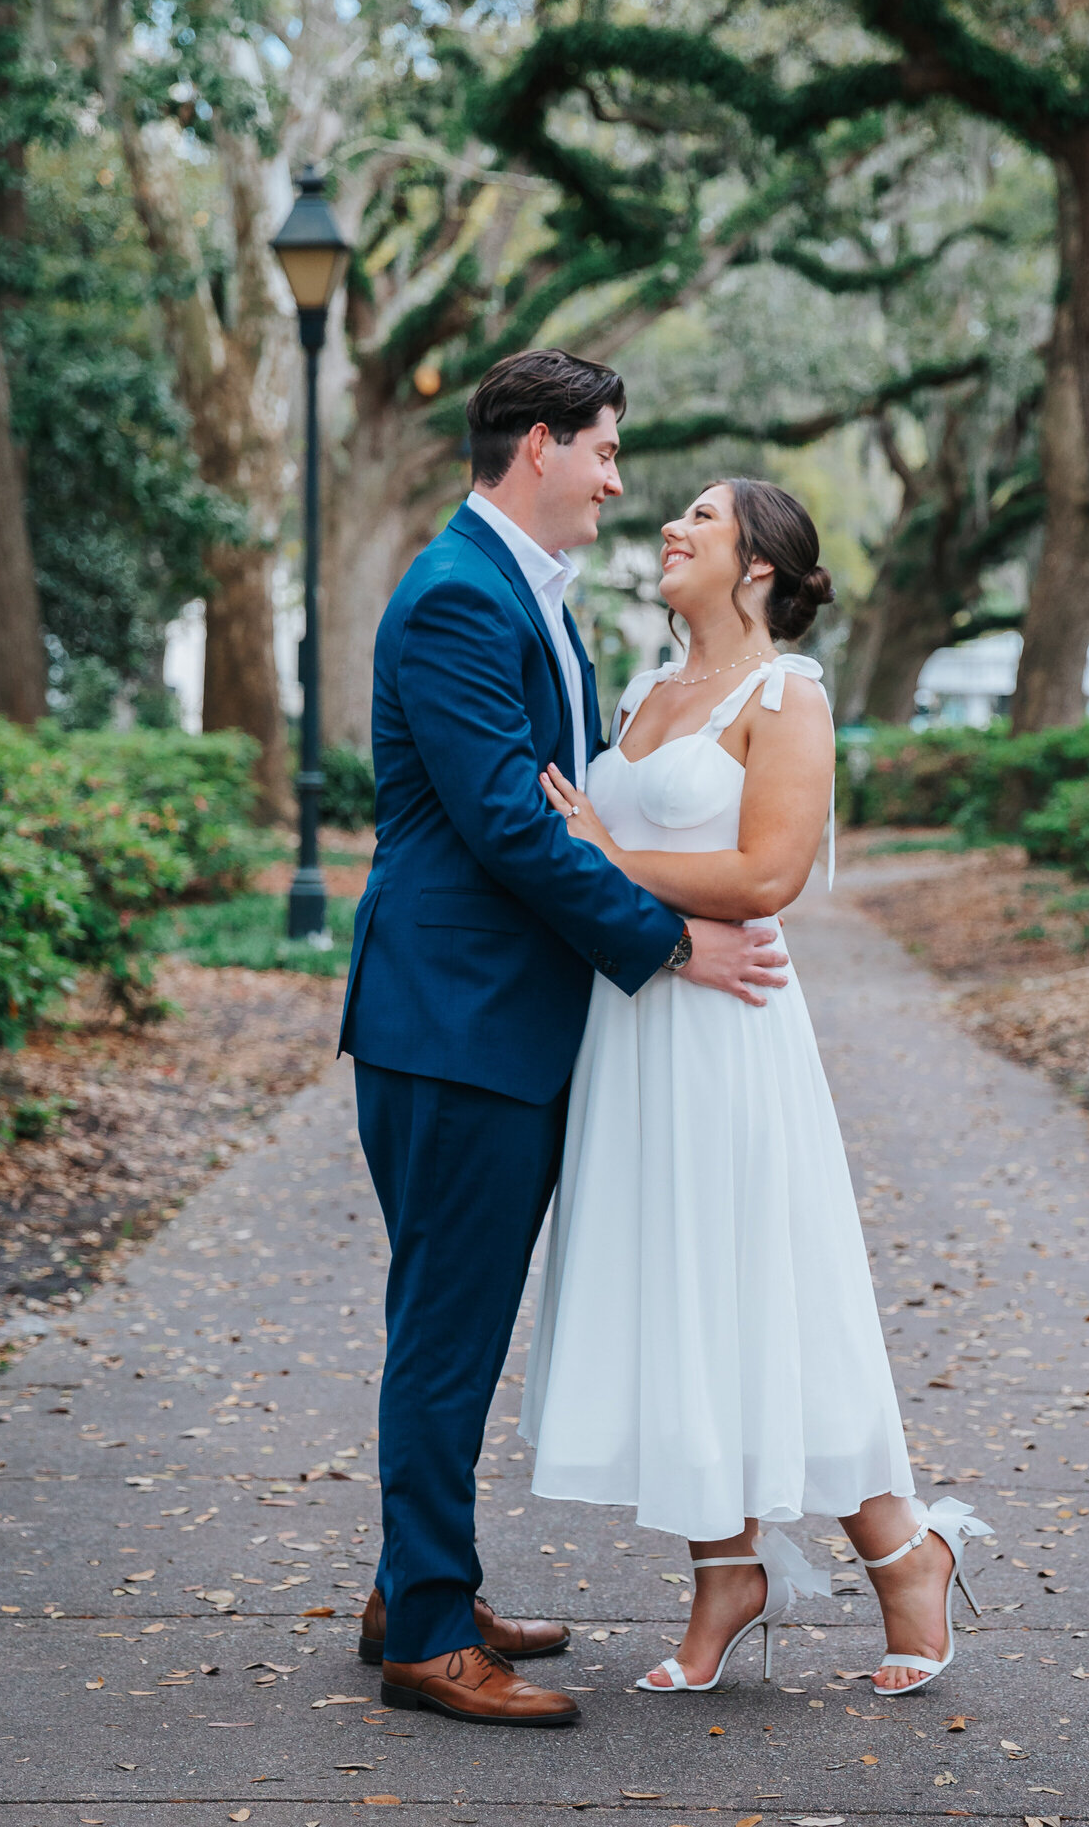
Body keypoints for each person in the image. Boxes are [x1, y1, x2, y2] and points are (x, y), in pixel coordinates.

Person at [338, 352, 788, 1729]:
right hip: (455, 1017)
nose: (615, 479)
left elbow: (565, 810)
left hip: (490, 1019)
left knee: (454, 1318)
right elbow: (514, 827)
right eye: (602, 449)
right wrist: (670, 944)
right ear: (539, 445)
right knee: (447, 1328)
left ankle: (422, 1583)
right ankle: (424, 1632)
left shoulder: (516, 591)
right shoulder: (462, 600)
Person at [523, 477, 990, 1697]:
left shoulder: (785, 696)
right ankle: (723, 1566)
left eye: (701, 519)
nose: (669, 526)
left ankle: (906, 1552)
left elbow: (768, 870)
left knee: (768, 1291)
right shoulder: (634, 690)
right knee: (668, 1294)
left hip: (728, 1034)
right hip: (631, 1033)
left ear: (760, 568)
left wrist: (607, 855)